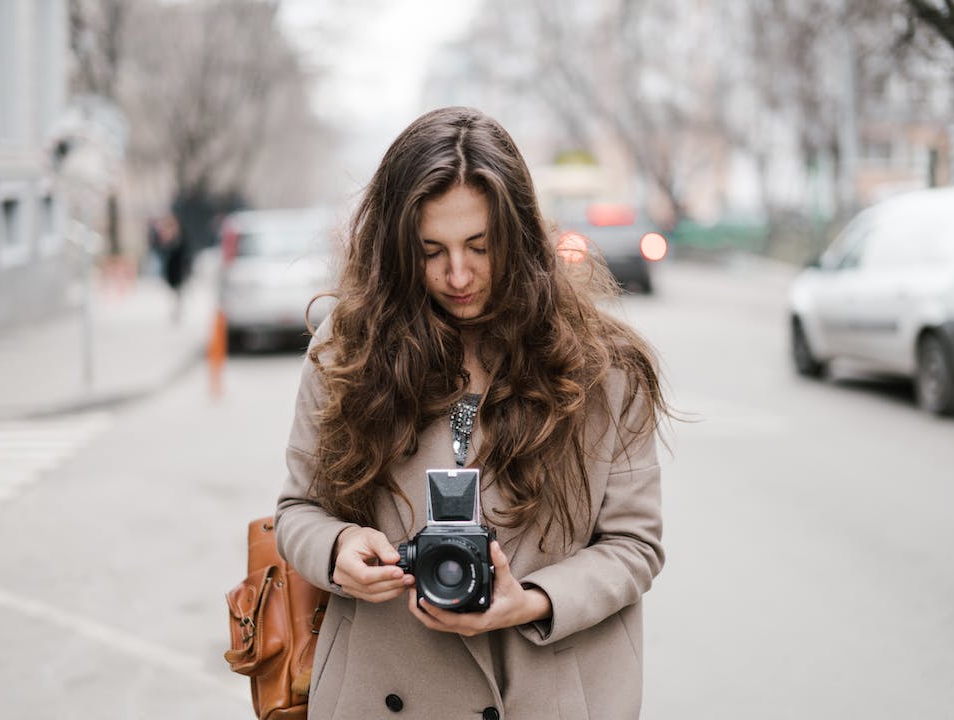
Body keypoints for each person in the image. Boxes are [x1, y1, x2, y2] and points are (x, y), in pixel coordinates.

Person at [275, 106, 668, 720]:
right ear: (398, 250)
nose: (458, 275)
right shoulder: (346, 351)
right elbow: (296, 510)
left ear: (519, 237)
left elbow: (634, 545)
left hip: (546, 692)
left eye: (480, 247)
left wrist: (533, 599)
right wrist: (339, 548)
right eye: (431, 251)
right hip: (384, 690)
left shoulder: (602, 366)